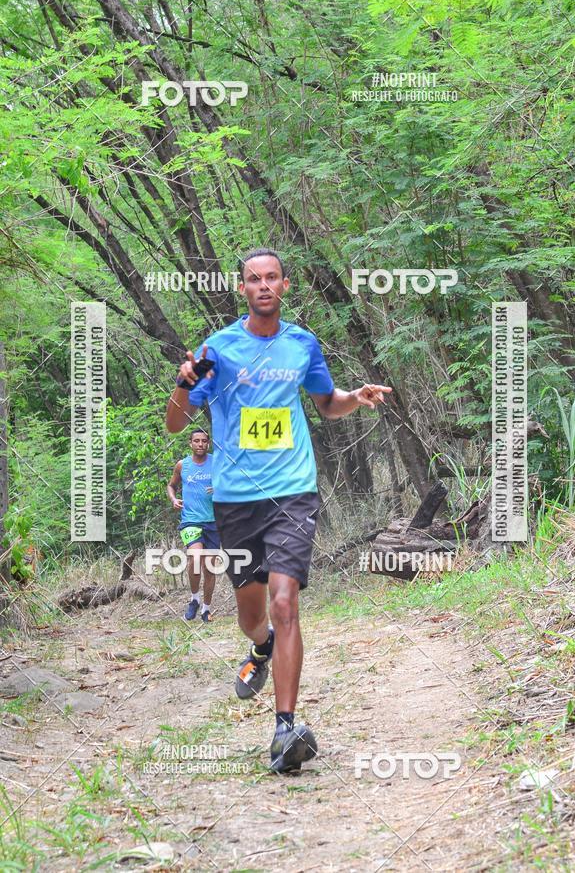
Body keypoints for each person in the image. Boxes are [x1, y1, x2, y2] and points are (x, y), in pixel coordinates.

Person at [165, 248, 391, 773]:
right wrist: (184, 382)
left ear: (285, 286)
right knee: (252, 616)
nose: (263, 285)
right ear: (242, 288)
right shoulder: (218, 349)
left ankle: (285, 729)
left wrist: (355, 397)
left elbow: (326, 403)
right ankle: (261, 648)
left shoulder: (302, 344)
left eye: (272, 278)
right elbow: (177, 423)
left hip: (292, 491)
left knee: (285, 601)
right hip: (234, 499)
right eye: (254, 279)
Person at [167, 428, 220, 622]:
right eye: (196, 441)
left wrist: (219, 488)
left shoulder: (216, 462)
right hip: (190, 520)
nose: (200, 444)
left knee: (210, 567)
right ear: (190, 443)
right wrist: (174, 499)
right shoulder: (183, 465)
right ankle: (194, 599)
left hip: (213, 521)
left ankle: (206, 609)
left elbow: (232, 484)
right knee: (195, 558)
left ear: (208, 443)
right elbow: (171, 485)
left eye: (204, 441)